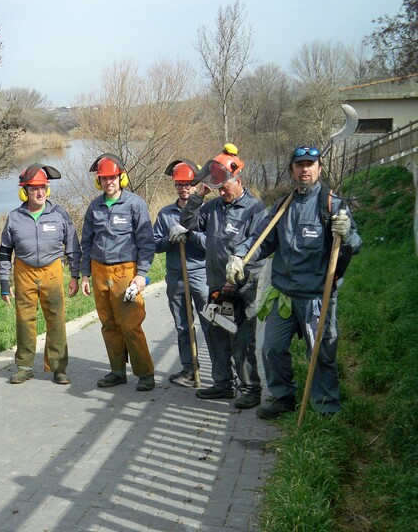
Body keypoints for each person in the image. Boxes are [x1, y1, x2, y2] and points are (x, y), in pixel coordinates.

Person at [227, 145, 362, 418]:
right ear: (292, 170)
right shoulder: (282, 206)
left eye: (310, 164)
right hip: (284, 295)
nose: (305, 170)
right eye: (299, 165)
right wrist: (240, 257)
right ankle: (283, 397)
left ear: (319, 169)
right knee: (272, 348)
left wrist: (346, 233)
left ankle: (326, 407)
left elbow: (356, 244)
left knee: (321, 352)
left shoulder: (332, 205)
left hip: (316, 296)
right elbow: (261, 240)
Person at [178, 143, 266, 409]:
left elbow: (258, 244)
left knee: (241, 340)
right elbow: (188, 222)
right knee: (216, 336)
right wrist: (198, 197)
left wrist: (239, 268)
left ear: (238, 180)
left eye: (225, 186)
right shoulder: (214, 206)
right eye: (219, 187)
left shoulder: (254, 208)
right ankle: (222, 385)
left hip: (242, 287)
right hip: (215, 284)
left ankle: (249, 389)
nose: (223, 191)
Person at [0, 164, 81, 385]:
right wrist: (4, 283)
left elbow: (72, 245)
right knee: (25, 320)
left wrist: (75, 275)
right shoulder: (14, 217)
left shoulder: (59, 214)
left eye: (43, 187)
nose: (40, 192)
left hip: (52, 270)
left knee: (56, 319)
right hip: (24, 271)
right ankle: (24, 366)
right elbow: (5, 251)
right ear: (24, 191)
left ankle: (58, 368)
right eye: (34, 188)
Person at [80, 153, 156, 391]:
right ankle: (117, 371)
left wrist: (141, 273)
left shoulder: (135, 204)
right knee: (108, 324)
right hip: (99, 270)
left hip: (126, 271)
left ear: (121, 178)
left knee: (131, 324)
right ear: (98, 182)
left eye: (112, 177)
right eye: (103, 179)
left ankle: (145, 374)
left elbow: (146, 242)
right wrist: (84, 275)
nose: (108, 182)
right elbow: (87, 242)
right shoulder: (94, 207)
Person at [152, 160, 211, 387]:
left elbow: (211, 243)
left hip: (200, 274)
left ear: (195, 184)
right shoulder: (166, 214)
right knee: (182, 325)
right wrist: (170, 239)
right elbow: (155, 245)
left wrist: (192, 235)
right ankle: (188, 369)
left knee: (210, 323)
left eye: (188, 184)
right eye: (179, 185)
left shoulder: (205, 211)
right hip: (176, 276)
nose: (184, 189)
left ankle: (223, 372)